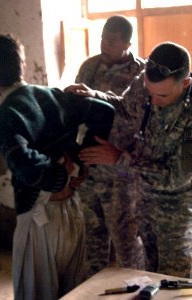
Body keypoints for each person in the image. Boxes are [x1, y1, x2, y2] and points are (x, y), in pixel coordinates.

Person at [0, 34, 114, 300]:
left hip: (41, 218)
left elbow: (25, 165)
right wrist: (82, 159)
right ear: (21, 65)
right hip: (73, 210)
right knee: (73, 292)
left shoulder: (4, 116)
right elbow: (105, 111)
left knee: (36, 294)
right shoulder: (54, 95)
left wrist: (58, 180)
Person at [66, 41, 192, 278]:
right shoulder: (146, 86)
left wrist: (121, 159)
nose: (152, 101)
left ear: (185, 83)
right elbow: (125, 107)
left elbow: (176, 177)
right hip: (143, 203)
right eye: (149, 91)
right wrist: (96, 95)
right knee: (151, 276)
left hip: (176, 216)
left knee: (177, 283)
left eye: (162, 96)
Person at [74, 15, 145, 276]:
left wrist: (124, 157)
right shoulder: (89, 67)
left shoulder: (141, 73)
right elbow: (76, 112)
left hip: (121, 172)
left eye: (112, 41)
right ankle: (94, 287)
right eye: (103, 38)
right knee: (93, 237)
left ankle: (136, 286)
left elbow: (142, 122)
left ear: (127, 43)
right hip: (91, 167)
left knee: (126, 240)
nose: (104, 45)